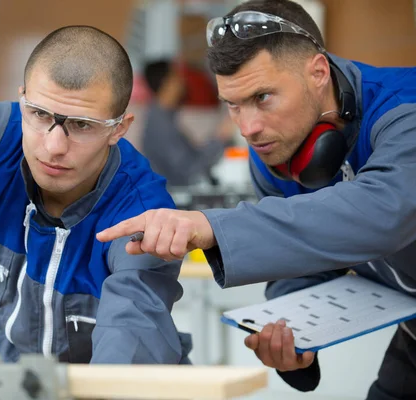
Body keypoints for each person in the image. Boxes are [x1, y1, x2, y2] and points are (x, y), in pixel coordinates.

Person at [97, 0, 416, 397]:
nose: (248, 128)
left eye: (263, 97)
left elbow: (385, 213)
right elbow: (302, 266)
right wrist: (292, 338)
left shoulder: (406, 108)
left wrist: (212, 226)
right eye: (233, 104)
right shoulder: (276, 150)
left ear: (317, 72)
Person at [0, 25, 191, 365]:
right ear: (22, 100)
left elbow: (132, 337)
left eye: (81, 125)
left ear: (119, 128)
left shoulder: (142, 210)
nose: (53, 146)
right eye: (40, 114)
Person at [141, 59, 234, 186]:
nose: (183, 82)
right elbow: (190, 170)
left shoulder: (162, 118)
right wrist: (220, 138)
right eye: (178, 78)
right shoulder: (161, 126)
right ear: (168, 84)